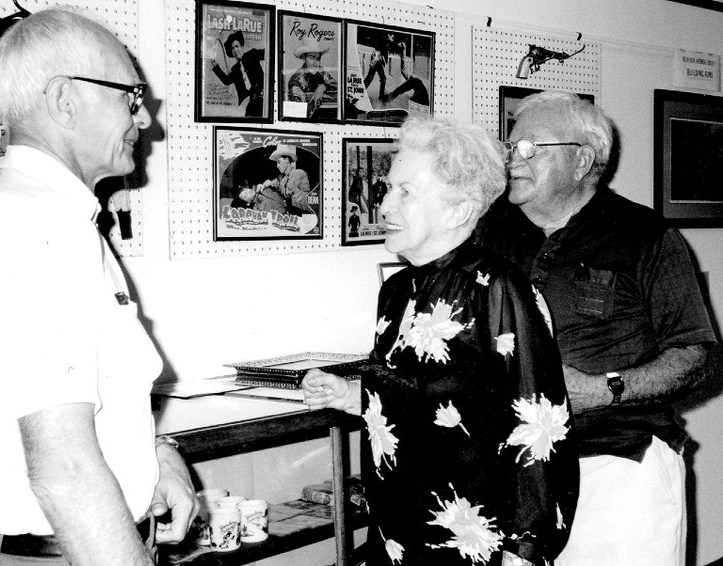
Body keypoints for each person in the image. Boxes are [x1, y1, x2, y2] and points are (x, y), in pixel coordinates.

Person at [0, 8, 198, 565]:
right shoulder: (37, 227)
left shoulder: (53, 219)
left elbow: (77, 410)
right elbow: (63, 470)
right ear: (65, 100)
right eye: (129, 98)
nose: (145, 121)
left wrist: (155, 458)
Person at [302, 116, 578, 566]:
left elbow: (542, 426)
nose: (385, 206)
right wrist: (354, 395)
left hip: (471, 542)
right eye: (387, 189)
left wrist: (526, 550)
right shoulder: (396, 291)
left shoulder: (499, 290)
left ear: (459, 210)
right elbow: (426, 396)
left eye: (405, 192)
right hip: (398, 534)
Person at [473, 90, 717, 566]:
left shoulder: (647, 238)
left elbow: (695, 356)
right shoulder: (490, 232)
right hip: (514, 474)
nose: (512, 160)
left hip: (618, 467)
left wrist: (602, 389)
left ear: (582, 160)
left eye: (529, 148)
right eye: (510, 147)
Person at [210, 30, 265, 117]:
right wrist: (216, 67)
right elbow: (226, 80)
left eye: (237, 46)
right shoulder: (235, 69)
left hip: (262, 101)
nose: (235, 50)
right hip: (248, 104)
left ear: (242, 47)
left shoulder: (252, 55)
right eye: (232, 48)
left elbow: (268, 53)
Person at [287, 37, 337, 119]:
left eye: (318, 59)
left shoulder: (321, 73)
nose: (316, 64)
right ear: (304, 58)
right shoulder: (297, 78)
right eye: (311, 58)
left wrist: (321, 87)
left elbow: (335, 84)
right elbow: (299, 110)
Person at [257, 144, 314, 214]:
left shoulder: (300, 173)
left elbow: (309, 203)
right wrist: (263, 185)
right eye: (276, 163)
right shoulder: (281, 179)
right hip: (288, 215)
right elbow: (270, 182)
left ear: (287, 160)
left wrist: (295, 190)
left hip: (301, 215)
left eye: (279, 162)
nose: (277, 166)